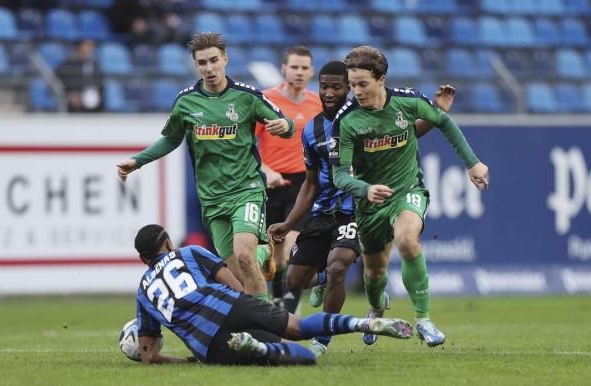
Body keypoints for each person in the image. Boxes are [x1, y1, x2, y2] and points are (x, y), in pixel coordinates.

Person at [269, 61, 457, 356]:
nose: (330, 93)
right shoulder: (312, 129)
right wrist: (289, 222)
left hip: (355, 207)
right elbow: (310, 183)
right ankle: (323, 280)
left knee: (340, 265)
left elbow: (403, 132)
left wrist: (436, 114)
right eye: (324, 87)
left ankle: (322, 340)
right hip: (323, 212)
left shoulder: (361, 117)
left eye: (338, 87)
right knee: (294, 280)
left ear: (350, 89)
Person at [330, 46, 489, 347]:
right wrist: (365, 189)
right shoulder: (346, 121)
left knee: (406, 239)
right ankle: (377, 310)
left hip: (407, 190)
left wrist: (472, 163)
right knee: (374, 272)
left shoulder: (407, 101)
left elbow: (443, 121)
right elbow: (339, 176)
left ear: (381, 79)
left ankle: (424, 319)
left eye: (362, 83)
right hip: (369, 203)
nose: (356, 91)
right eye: (352, 85)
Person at [117, 32, 294, 301]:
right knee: (239, 277)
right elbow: (171, 139)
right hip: (212, 199)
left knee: (245, 258)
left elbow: (285, 124)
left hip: (246, 189)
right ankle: (263, 263)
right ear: (196, 65)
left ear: (225, 59)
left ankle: (268, 329)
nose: (209, 68)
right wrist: (137, 161)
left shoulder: (247, 97)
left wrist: (285, 125)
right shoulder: (187, 102)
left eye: (214, 60)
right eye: (202, 63)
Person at [131, 224, 414, 366]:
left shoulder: (143, 292)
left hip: (208, 343)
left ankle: (261, 350)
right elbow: (234, 286)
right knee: (298, 328)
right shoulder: (189, 253)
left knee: (302, 358)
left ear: (144, 259)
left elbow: (148, 354)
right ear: (168, 242)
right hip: (231, 306)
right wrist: (250, 312)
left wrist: (189, 360)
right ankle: (359, 324)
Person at [255, 46, 322, 309]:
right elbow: (249, 143)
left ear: (311, 71)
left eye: (305, 68)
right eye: (294, 67)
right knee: (276, 259)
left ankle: (288, 311)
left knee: (293, 249)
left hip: (302, 184)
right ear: (284, 69)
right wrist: (266, 170)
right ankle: (278, 300)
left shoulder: (317, 103)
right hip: (270, 183)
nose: (299, 72)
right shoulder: (265, 100)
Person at [55, 40, 103, 112]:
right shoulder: (68, 64)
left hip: (90, 100)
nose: (90, 49)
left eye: (92, 46)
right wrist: (70, 94)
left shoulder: (94, 65)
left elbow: (99, 82)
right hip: (72, 99)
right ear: (79, 47)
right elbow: (58, 80)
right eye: (87, 46)